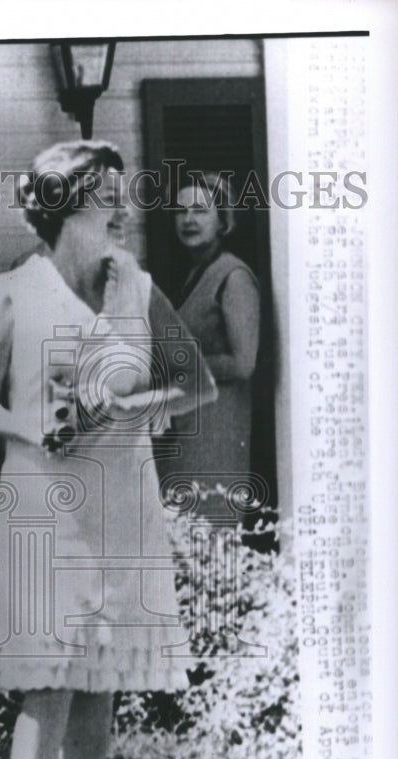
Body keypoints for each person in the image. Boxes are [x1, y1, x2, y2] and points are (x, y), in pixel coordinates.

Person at [0, 141, 217, 759]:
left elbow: (196, 382)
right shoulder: (16, 289)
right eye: (110, 195)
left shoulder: (134, 286)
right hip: (46, 500)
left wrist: (131, 406)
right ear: (71, 206)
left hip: (122, 496)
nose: (125, 208)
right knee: (49, 678)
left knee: (100, 679)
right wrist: (32, 426)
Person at [155, 172, 260, 514]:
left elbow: (244, 363)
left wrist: (179, 367)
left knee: (209, 537)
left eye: (200, 210)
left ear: (223, 219)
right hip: (185, 428)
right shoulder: (191, 273)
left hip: (217, 431)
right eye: (180, 211)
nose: (188, 219)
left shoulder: (234, 276)